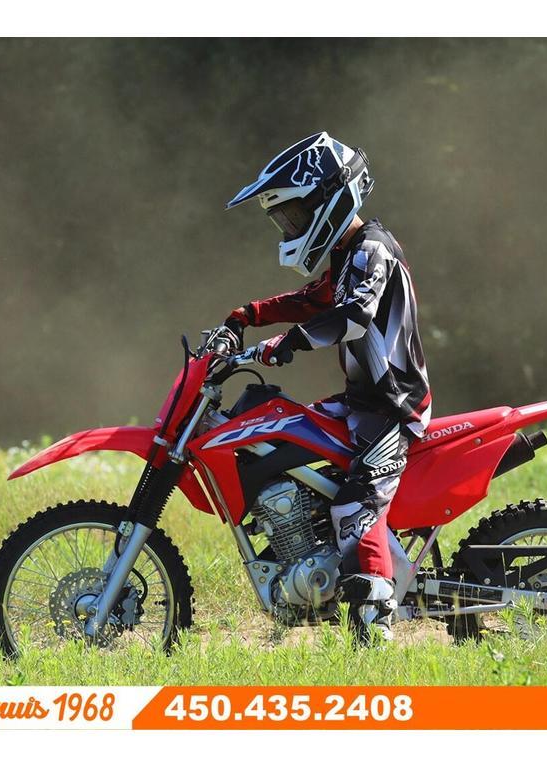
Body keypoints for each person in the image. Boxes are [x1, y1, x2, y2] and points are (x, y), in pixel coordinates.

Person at [223, 132, 431, 643]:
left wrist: (285, 343)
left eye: (293, 215)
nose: (289, 227)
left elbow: (353, 316)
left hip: (392, 407)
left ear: (328, 199)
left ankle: (374, 629)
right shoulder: (348, 254)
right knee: (284, 437)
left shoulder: (373, 250)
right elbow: (312, 299)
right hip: (362, 402)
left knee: (354, 507)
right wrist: (246, 315)